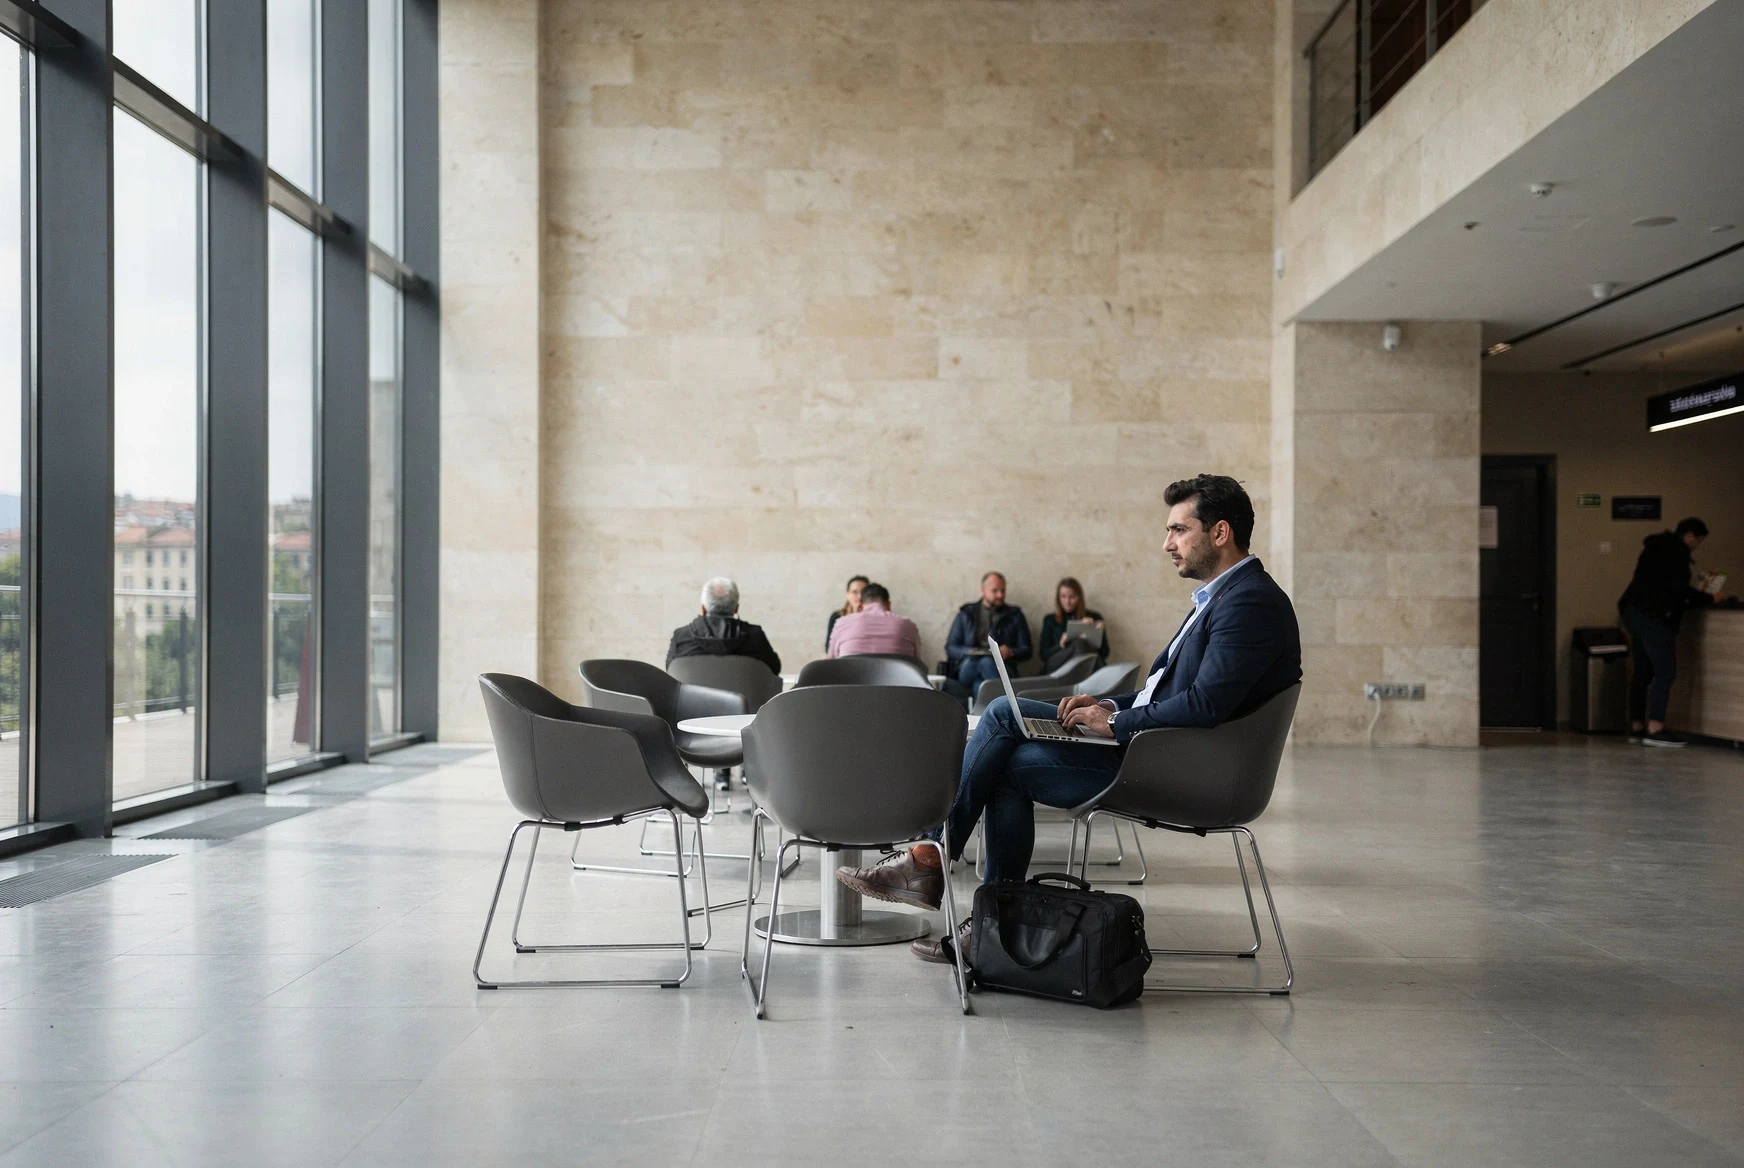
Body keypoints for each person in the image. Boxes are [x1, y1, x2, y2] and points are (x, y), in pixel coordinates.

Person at [835, 474, 1301, 963]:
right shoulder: (1221, 598)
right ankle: (966, 901)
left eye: (1178, 530)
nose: (1167, 544)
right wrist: (1107, 707)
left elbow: (1207, 705)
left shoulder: (1250, 602)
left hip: (1188, 769)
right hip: (1162, 749)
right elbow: (1160, 690)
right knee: (1004, 719)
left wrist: (1115, 726)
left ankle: (939, 868)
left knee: (1006, 757)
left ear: (1220, 533)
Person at [1618, 517, 1728, 748]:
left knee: (1643, 671)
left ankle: (1637, 725)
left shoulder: (1655, 547)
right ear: (1689, 535)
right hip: (1655, 616)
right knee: (1665, 672)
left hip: (1633, 612)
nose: (1696, 545)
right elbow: (1677, 591)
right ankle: (1655, 728)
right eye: (1697, 540)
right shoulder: (1676, 553)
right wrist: (1709, 597)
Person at [943, 572, 1031, 700]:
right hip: (968, 666)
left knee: (980, 684)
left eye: (1003, 590)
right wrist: (970, 652)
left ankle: (977, 714)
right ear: (983, 591)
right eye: (995, 591)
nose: (1000, 595)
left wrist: (1011, 652)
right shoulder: (966, 613)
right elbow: (950, 648)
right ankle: (1009, 702)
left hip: (1002, 667)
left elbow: (1027, 650)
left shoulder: (1015, 615)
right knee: (982, 662)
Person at [666, 576, 781, 675]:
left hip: (692, 701)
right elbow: (775, 669)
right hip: (748, 701)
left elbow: (671, 671)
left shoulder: (681, 637)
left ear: (703, 609)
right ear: (736, 608)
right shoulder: (755, 637)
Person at [827, 582, 922, 660]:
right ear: (889, 605)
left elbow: (831, 660)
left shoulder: (841, 623)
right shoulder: (908, 625)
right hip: (895, 683)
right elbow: (919, 664)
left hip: (851, 682)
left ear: (860, 606)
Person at [1038, 576, 1108, 672]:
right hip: (1058, 664)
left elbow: (1105, 653)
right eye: (1063, 596)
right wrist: (1061, 644)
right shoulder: (1050, 620)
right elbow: (1043, 655)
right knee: (1079, 643)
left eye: (1072, 597)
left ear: (1079, 598)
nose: (1067, 602)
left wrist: (1096, 633)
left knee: (1082, 645)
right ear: (1058, 598)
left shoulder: (1094, 617)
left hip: (1087, 662)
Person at [825, 575, 869, 652]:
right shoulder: (837, 616)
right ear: (848, 594)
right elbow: (828, 648)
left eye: (863, 592)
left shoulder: (876, 617)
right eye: (855, 592)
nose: (859, 596)